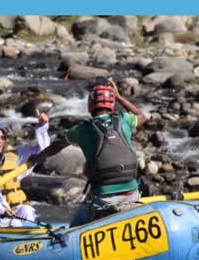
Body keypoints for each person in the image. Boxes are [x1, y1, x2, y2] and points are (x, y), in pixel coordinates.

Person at [39, 77, 151, 226]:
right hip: (132, 194)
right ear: (112, 104)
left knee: (74, 226)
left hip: (103, 198)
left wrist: (37, 157)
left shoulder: (81, 130)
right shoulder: (124, 120)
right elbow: (142, 116)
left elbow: (56, 147)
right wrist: (119, 96)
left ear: (90, 105)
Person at [0, 110, 50, 221]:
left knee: (26, 210)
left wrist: (42, 127)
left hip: (16, 212)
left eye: (2, 138)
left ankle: (32, 236)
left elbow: (43, 151)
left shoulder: (15, 157)